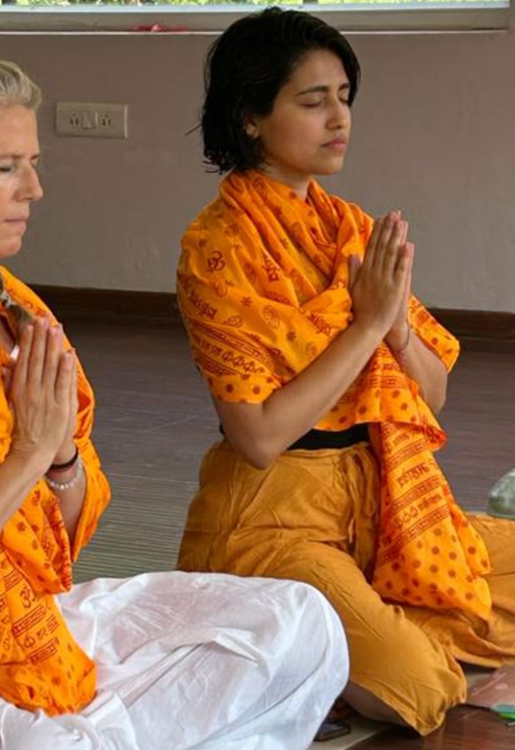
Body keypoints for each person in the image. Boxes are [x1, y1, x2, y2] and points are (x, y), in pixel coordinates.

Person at [0, 43, 348, 750]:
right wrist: (28, 453)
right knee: (56, 746)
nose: (33, 189)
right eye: (5, 168)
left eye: (33, 164)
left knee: (302, 624)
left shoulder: (11, 307)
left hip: (22, 620)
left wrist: (60, 460)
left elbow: (63, 534)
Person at [175, 7, 515, 736]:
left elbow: (430, 395)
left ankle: (339, 643)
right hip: (274, 515)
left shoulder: (351, 230)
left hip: (378, 499)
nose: (339, 119)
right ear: (251, 118)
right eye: (313, 101)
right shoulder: (216, 249)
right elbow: (258, 437)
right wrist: (365, 327)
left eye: (344, 98)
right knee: (419, 686)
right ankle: (349, 641)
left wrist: (394, 327)